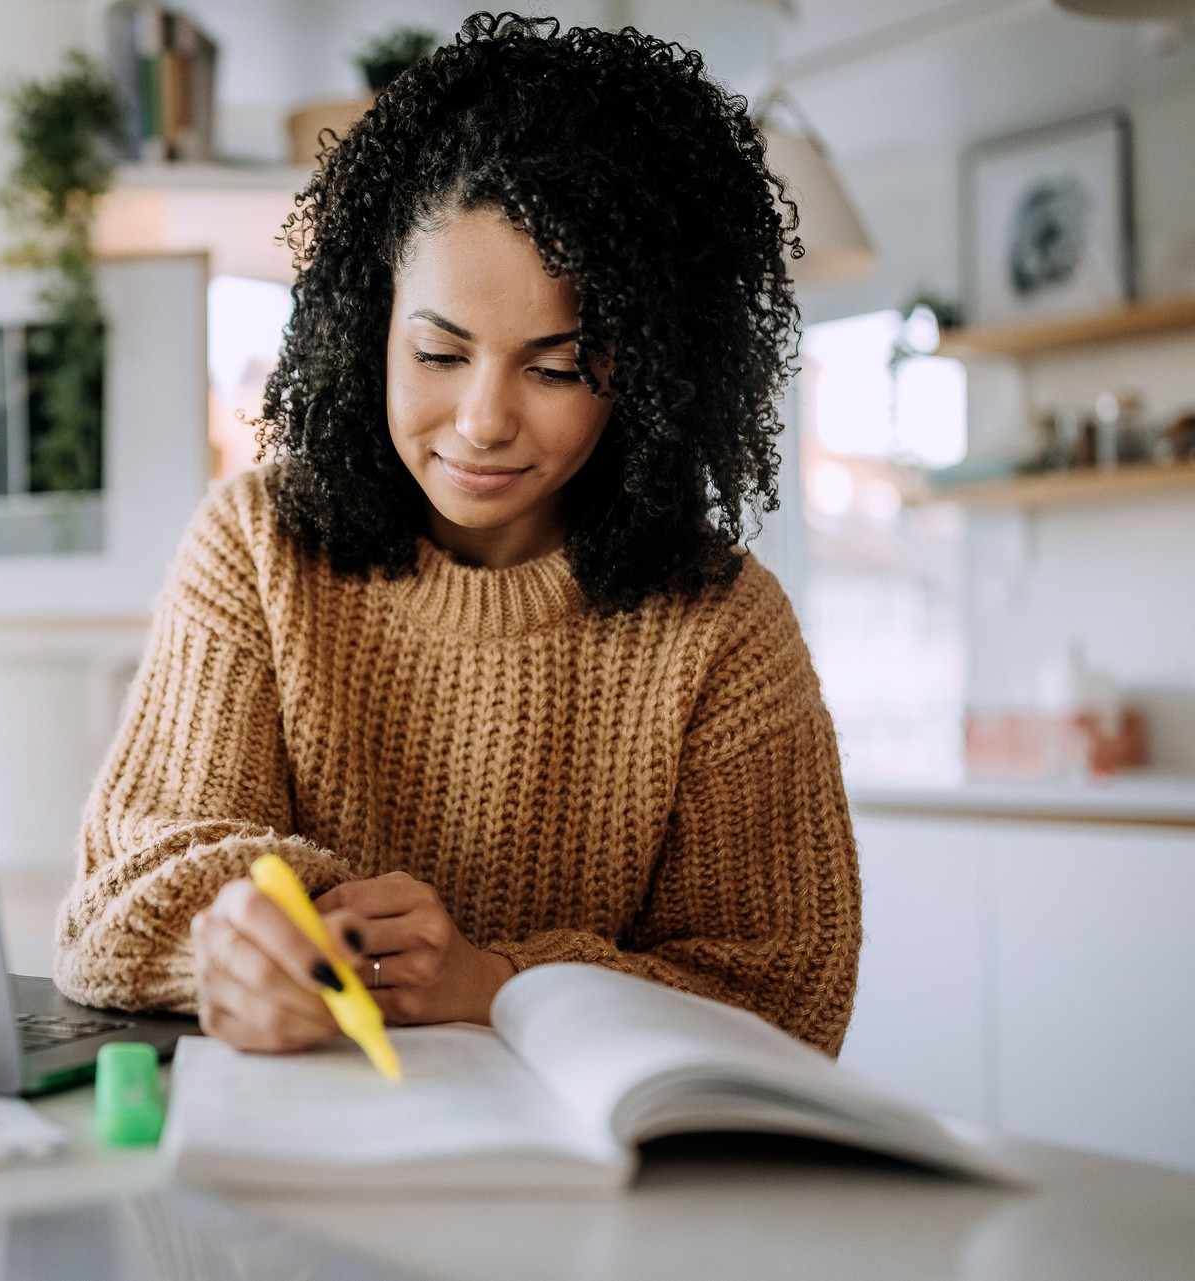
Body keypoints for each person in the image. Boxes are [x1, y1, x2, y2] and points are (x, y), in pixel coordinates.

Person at [53, 15, 860, 1056]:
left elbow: (789, 996)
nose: (484, 419)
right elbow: (116, 901)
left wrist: (493, 981)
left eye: (558, 366)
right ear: (368, 324)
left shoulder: (723, 629)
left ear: (653, 373)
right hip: (287, 1151)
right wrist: (239, 940)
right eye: (440, 352)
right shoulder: (258, 546)